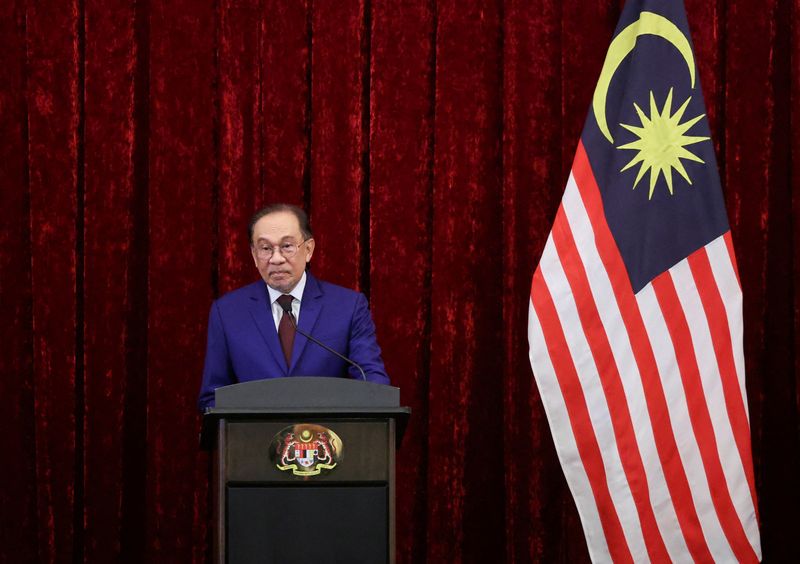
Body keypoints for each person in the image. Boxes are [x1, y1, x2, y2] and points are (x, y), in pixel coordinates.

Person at [198, 204, 389, 410]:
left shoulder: (348, 307)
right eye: (265, 248)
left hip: (328, 438)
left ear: (308, 250)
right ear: (254, 255)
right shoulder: (227, 312)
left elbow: (372, 383)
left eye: (287, 246)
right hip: (255, 439)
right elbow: (213, 397)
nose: (277, 259)